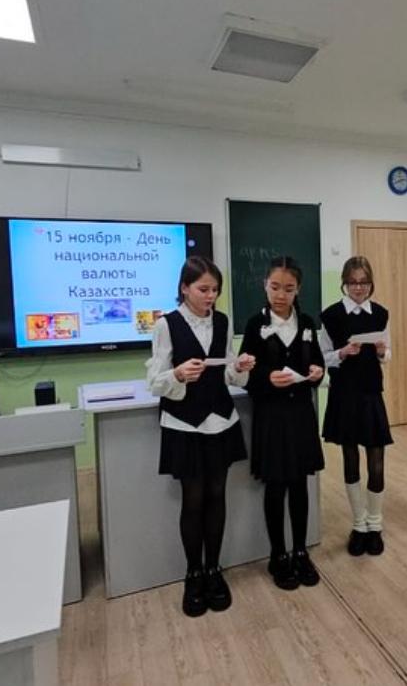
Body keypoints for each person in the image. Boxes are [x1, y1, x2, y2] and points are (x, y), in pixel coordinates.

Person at [146, 255, 255, 617]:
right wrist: (177, 374)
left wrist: (239, 367)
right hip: (185, 424)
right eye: (203, 289)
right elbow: (154, 381)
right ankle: (193, 573)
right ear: (184, 288)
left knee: (217, 495)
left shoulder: (222, 321)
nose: (211, 296)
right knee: (192, 500)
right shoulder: (166, 324)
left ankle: (213, 569)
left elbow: (228, 372)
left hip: (220, 421)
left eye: (215, 290)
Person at [240, 256, 326, 590]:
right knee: (275, 486)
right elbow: (246, 371)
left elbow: (316, 363)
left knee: (300, 485)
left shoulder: (307, 323)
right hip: (272, 417)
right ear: (265, 285)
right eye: (275, 287)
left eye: (288, 289)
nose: (280, 295)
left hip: (301, 414)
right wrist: (266, 377)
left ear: (298, 289)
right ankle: (278, 554)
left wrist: (317, 372)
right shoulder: (254, 324)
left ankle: (301, 551)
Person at [319, 256, 393, 556]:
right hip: (344, 394)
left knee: (376, 461)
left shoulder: (381, 313)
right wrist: (342, 353)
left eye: (364, 282)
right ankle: (359, 524)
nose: (358, 288)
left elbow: (387, 356)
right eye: (352, 282)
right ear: (344, 284)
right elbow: (322, 356)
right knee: (350, 459)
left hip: (371, 393)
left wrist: (382, 351)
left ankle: (375, 524)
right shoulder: (331, 315)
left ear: (371, 283)